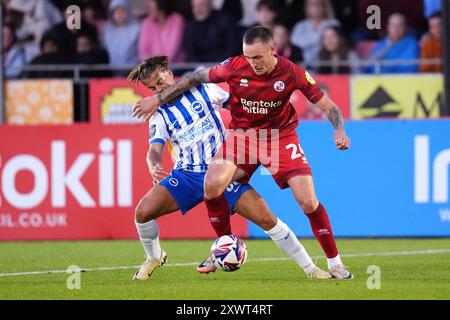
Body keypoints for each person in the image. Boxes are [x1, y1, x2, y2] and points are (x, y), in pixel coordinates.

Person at [132, 27, 353, 279]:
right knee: (203, 187)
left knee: (306, 202)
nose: (252, 63)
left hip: (278, 138)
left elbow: (328, 106)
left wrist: (339, 130)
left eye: (257, 57)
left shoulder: (292, 73)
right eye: (248, 57)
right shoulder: (234, 67)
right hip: (232, 145)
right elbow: (193, 80)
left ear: (273, 50)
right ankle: (219, 247)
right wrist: (158, 106)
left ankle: (329, 264)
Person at [290, 0, 340, 65]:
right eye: (311, 4)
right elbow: (295, 42)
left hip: (328, 64)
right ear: (306, 7)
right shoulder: (300, 25)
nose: (314, 7)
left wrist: (307, 41)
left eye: (317, 4)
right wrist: (320, 38)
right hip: (304, 66)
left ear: (324, 6)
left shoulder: (333, 23)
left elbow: (336, 44)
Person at [103, 0, 140, 69]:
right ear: (111, 13)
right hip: (111, 74)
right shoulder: (107, 30)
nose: (119, 14)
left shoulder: (136, 28)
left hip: (132, 72)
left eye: (122, 10)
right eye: (116, 11)